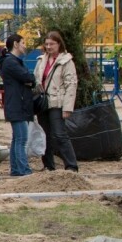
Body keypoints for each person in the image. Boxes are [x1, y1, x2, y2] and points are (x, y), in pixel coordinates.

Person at [35, 29, 80, 172]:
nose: (49, 47)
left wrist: (67, 108)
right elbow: (36, 79)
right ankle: (48, 165)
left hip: (57, 103)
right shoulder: (41, 60)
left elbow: (71, 85)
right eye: (47, 44)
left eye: (52, 44)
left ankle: (71, 165)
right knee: (44, 135)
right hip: (43, 103)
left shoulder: (66, 61)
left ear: (59, 44)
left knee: (60, 134)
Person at [0, 33, 36, 177]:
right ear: (15, 44)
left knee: (17, 139)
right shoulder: (11, 62)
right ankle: (23, 170)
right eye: (23, 42)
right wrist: (29, 80)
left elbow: (26, 79)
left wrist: (27, 81)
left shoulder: (12, 61)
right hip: (17, 104)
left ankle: (16, 169)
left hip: (16, 104)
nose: (25, 45)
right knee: (21, 139)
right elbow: (28, 77)